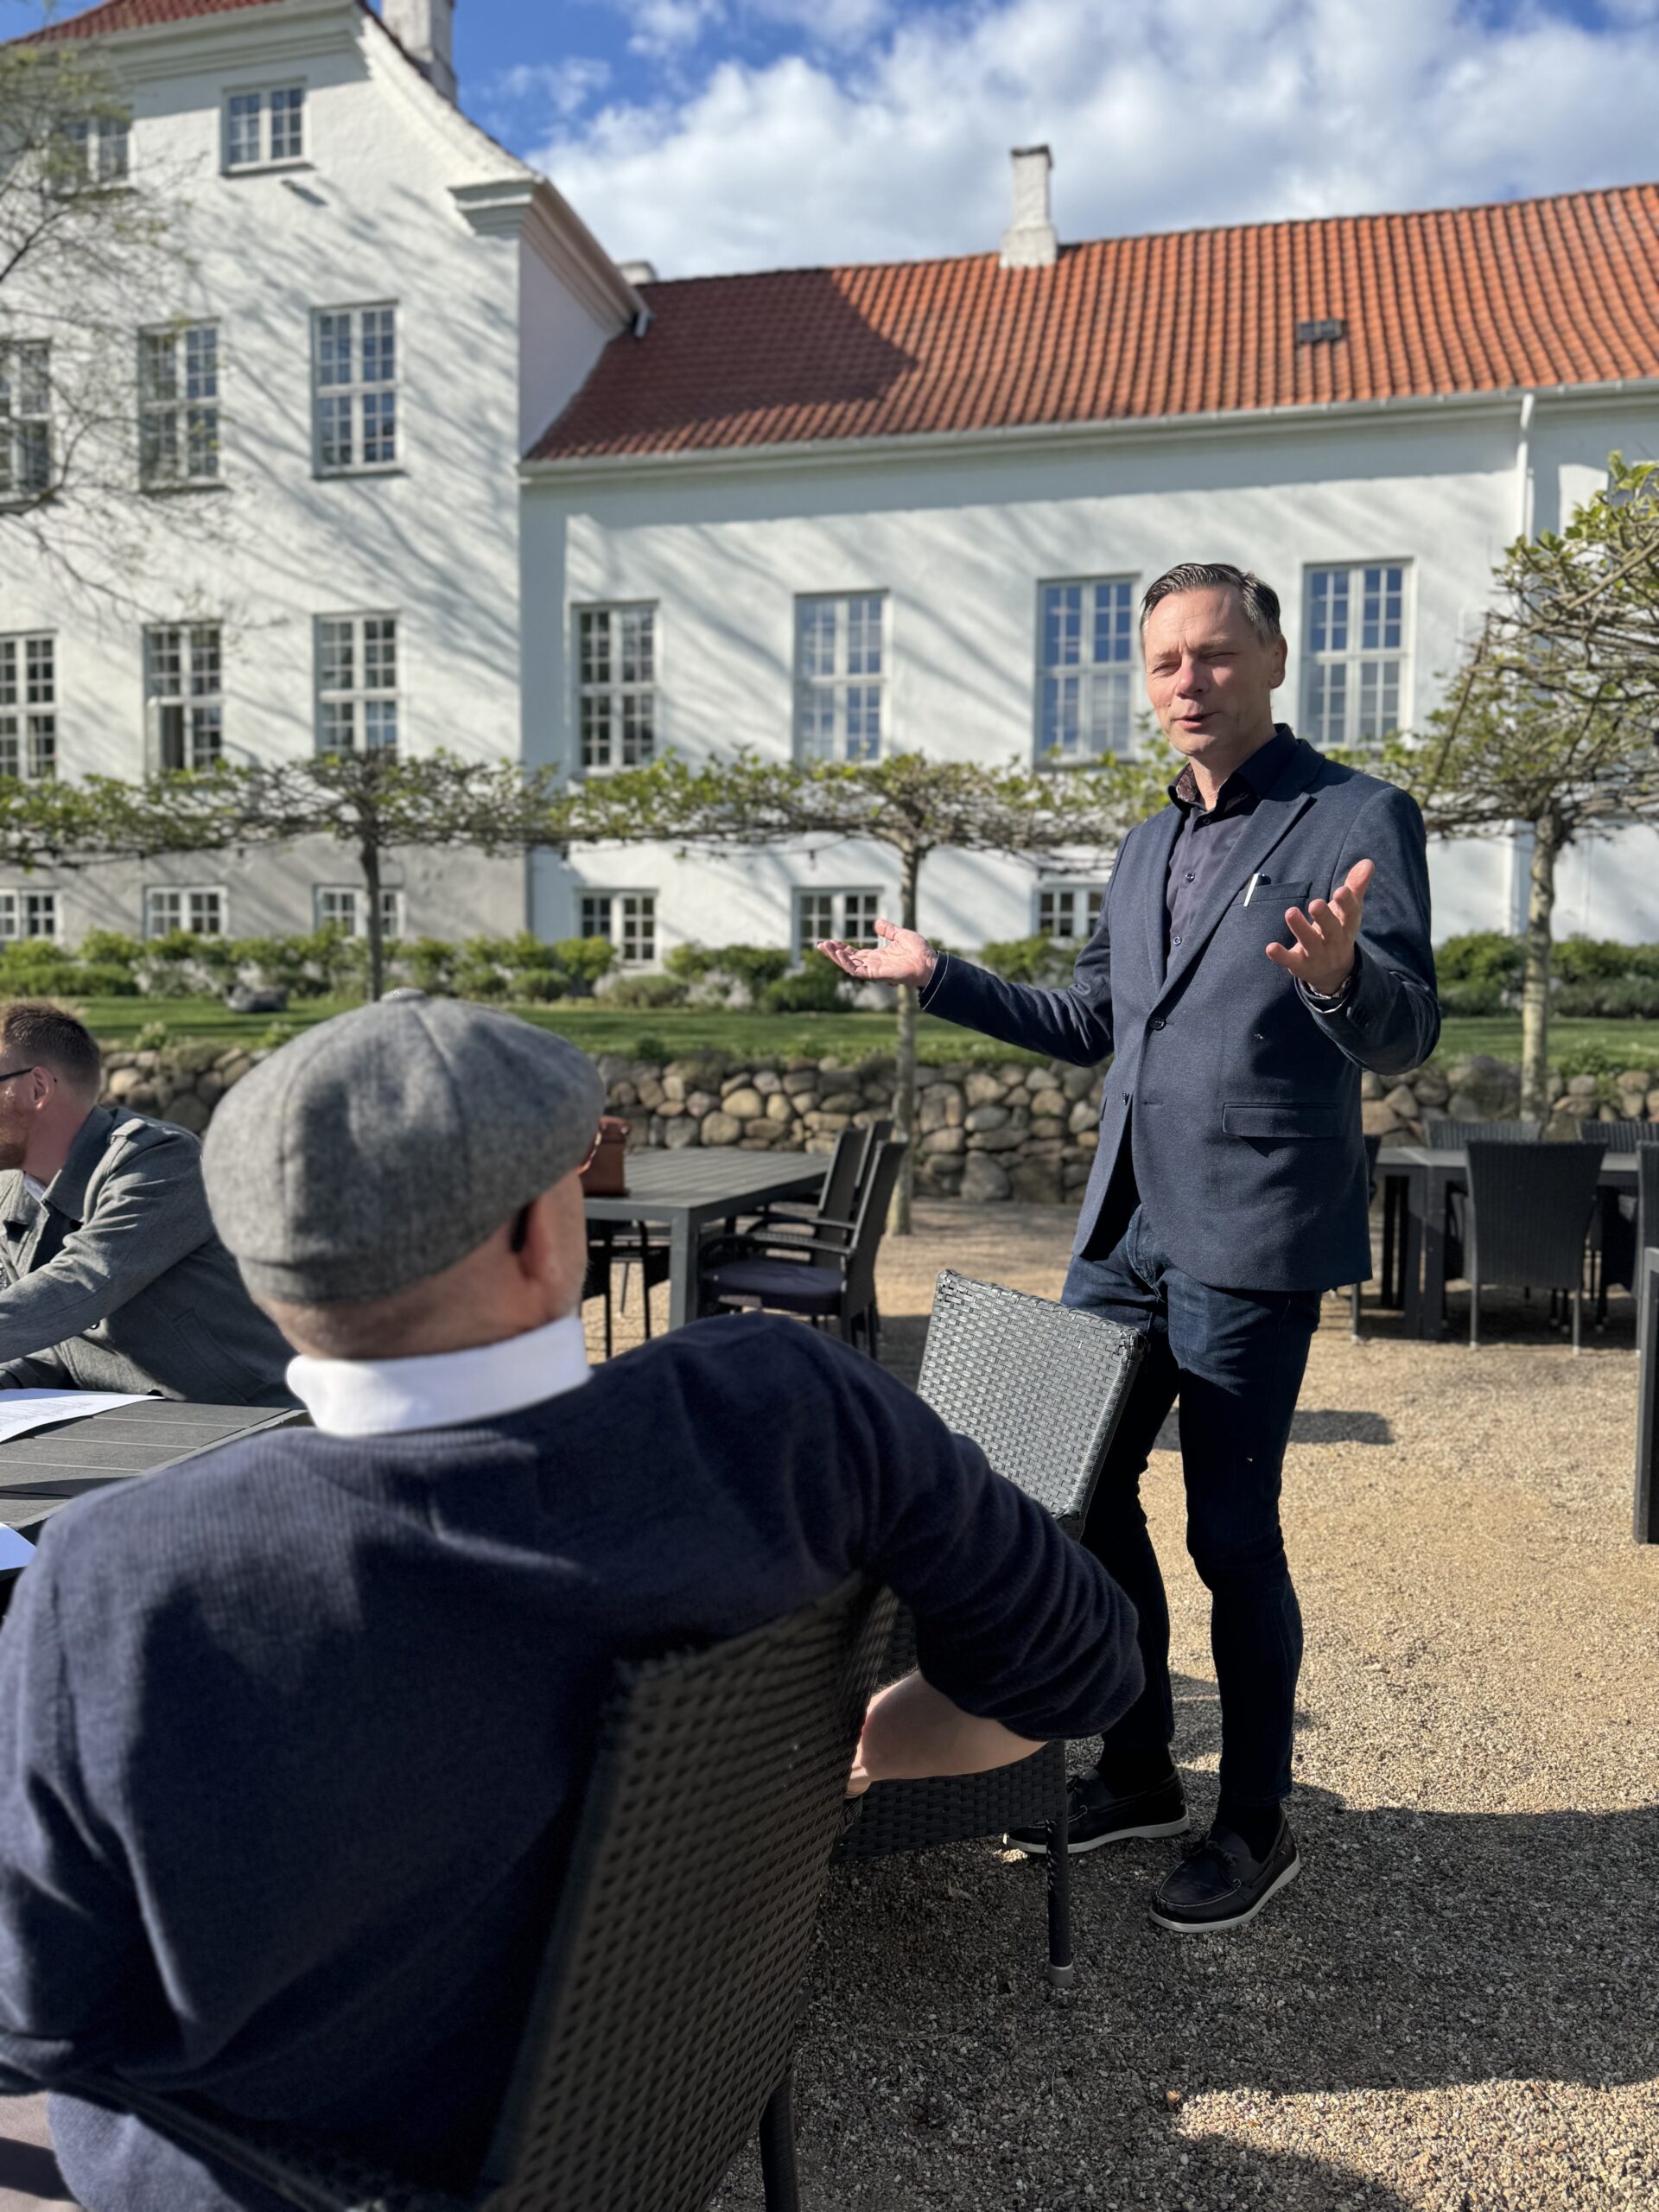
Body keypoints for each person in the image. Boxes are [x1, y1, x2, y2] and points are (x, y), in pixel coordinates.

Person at [0, 992, 1143, 2212]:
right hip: (666, 2100)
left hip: (284, 2175)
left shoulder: (132, 1576)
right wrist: (851, 1750)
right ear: (543, 1238)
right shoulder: (787, 1410)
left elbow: (41, 2019)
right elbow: (1077, 1664)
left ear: (266, 1273)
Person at [819, 561, 1439, 1935]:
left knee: (1231, 1534)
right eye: (1165, 662)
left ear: (1272, 660)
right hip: (1122, 1228)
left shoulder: (1356, 815)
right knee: (1073, 1499)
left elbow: (1408, 1026)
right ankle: (1144, 1766)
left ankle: (1256, 1820)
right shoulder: (1147, 842)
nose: (1187, 682)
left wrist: (1342, 977)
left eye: (1214, 655)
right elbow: (1094, 1024)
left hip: (1251, 1233)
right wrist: (939, 976)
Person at [0, 1001, 291, 1404]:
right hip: (133, 1424)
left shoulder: (160, 1160)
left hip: (251, 1419)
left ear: (37, 1089)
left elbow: (85, 1280)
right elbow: (54, 1344)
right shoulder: (12, 1196)